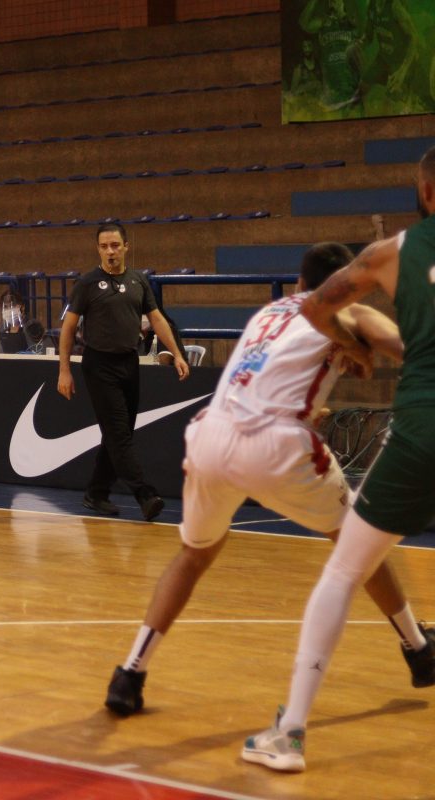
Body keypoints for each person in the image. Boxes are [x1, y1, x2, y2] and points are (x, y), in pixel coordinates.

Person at [105, 242, 433, 720]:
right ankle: (418, 650)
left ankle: (129, 674)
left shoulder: (268, 313)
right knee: (359, 542)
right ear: (348, 285)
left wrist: (339, 363)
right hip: (276, 444)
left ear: (298, 282)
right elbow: (404, 345)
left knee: (193, 556)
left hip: (212, 436)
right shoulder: (351, 311)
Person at [242, 145, 435, 772]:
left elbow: (315, 305)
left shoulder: (391, 253)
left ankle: (291, 734)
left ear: (425, 191)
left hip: (425, 425)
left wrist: (353, 347)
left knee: (345, 570)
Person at [57, 223, 189, 521]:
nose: (110, 251)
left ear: (126, 247)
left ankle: (96, 492)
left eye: (115, 245)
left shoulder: (138, 281)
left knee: (119, 434)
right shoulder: (88, 283)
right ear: (98, 249)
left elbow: (157, 319)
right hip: (98, 365)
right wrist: (64, 370)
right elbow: (68, 327)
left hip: (129, 362)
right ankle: (145, 494)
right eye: (104, 246)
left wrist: (178, 354)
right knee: (118, 434)